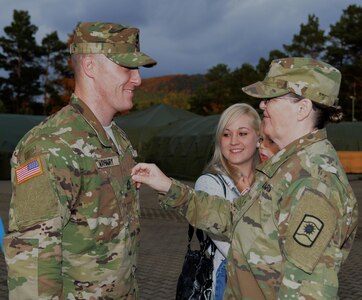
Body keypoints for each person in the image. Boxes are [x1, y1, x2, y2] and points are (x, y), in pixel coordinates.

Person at [131, 57, 358, 299]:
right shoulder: (286, 166)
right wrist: (167, 186)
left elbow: (308, 291)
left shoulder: (315, 181)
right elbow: (234, 217)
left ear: (302, 109)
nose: (262, 106)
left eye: (271, 98)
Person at [3, 22, 156, 299]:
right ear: (90, 66)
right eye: (126, 67)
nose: (137, 79)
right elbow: (33, 269)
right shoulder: (51, 145)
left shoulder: (118, 140)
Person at [194, 103, 260, 299]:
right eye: (226, 134)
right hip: (229, 285)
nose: (233, 141)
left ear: (258, 137)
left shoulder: (271, 181)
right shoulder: (209, 184)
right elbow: (233, 249)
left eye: (242, 133)